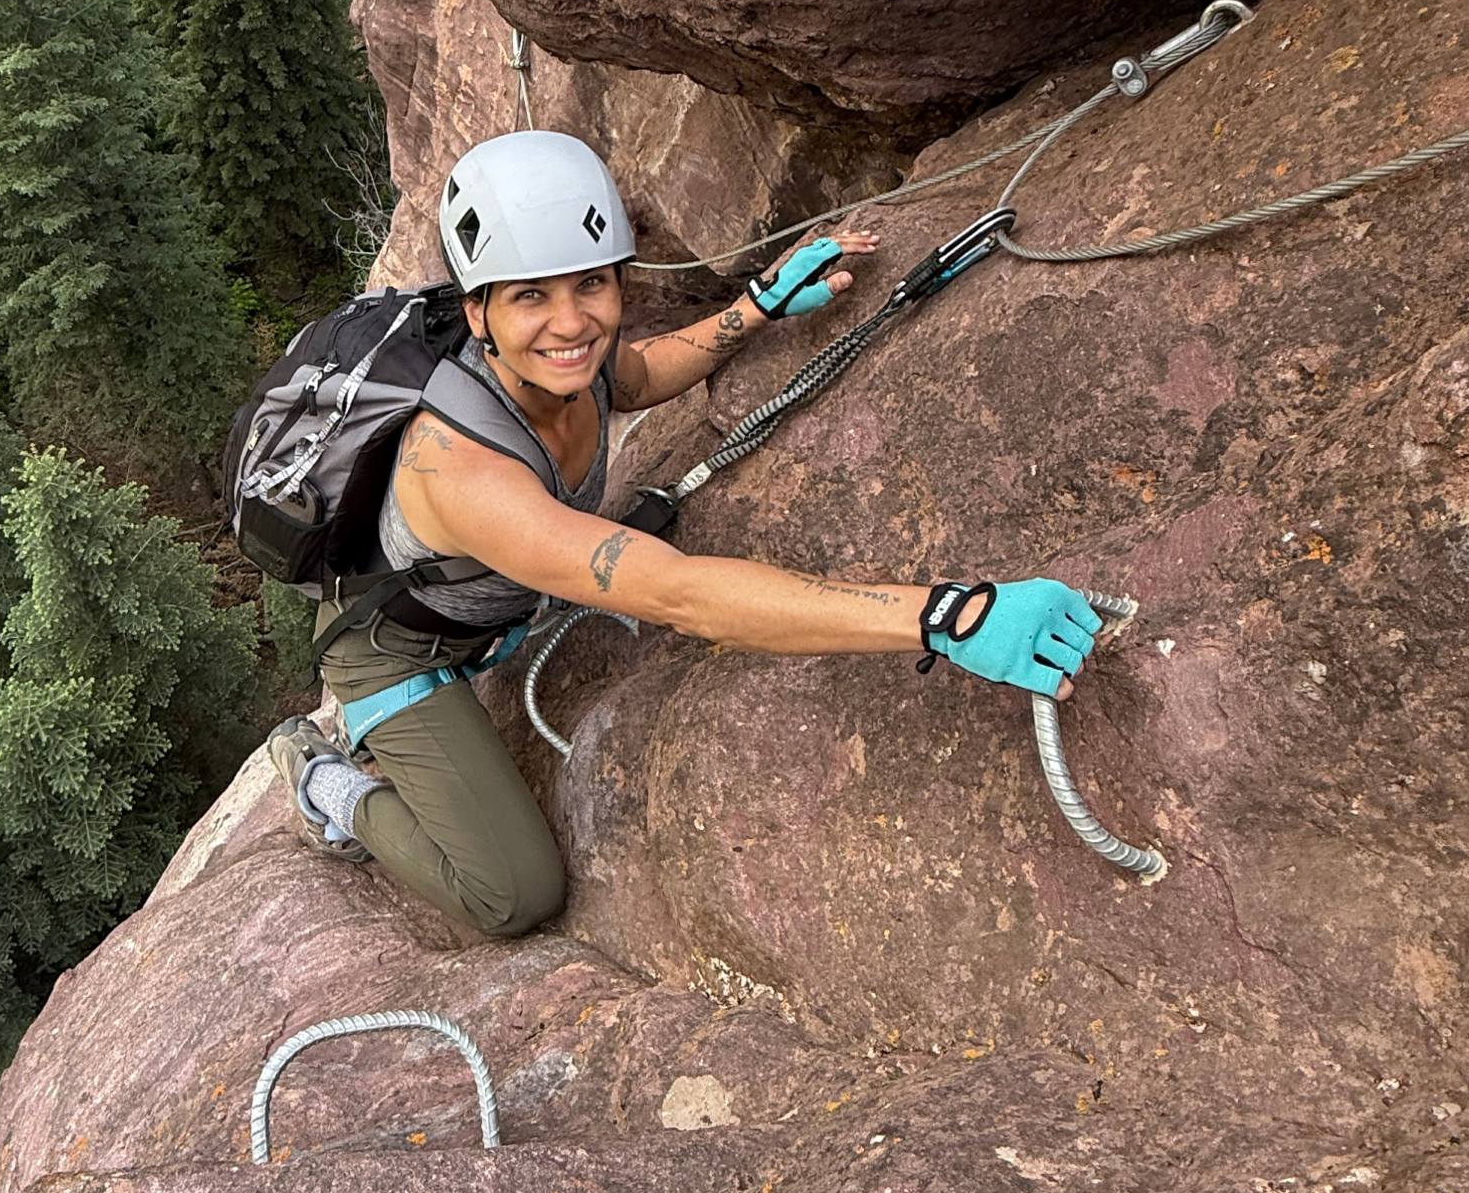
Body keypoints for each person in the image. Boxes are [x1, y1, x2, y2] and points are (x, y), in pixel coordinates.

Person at [267, 130, 1109, 939]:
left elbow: (634, 375)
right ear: (477, 311)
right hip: (397, 650)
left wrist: (758, 307)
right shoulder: (457, 469)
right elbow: (680, 593)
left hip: (489, 606)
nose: (571, 324)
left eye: (590, 285)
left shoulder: (568, 364)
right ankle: (326, 783)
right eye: (532, 295)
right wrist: (944, 614)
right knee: (511, 893)